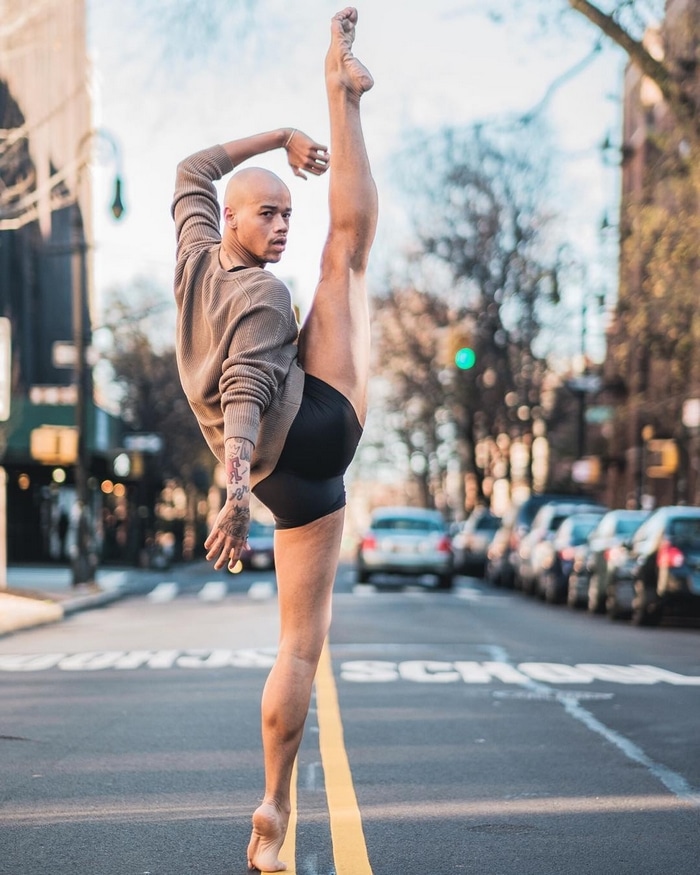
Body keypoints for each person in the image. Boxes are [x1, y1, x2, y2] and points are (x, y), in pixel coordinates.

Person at [171, 7, 377, 871]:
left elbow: (193, 166)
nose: (282, 227)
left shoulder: (194, 254)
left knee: (294, 646)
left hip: (277, 474)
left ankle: (272, 807)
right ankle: (346, 98)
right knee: (350, 256)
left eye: (288, 213)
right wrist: (232, 488)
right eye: (270, 215)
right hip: (314, 437)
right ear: (236, 218)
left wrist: (274, 139)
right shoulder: (262, 297)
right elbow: (247, 391)